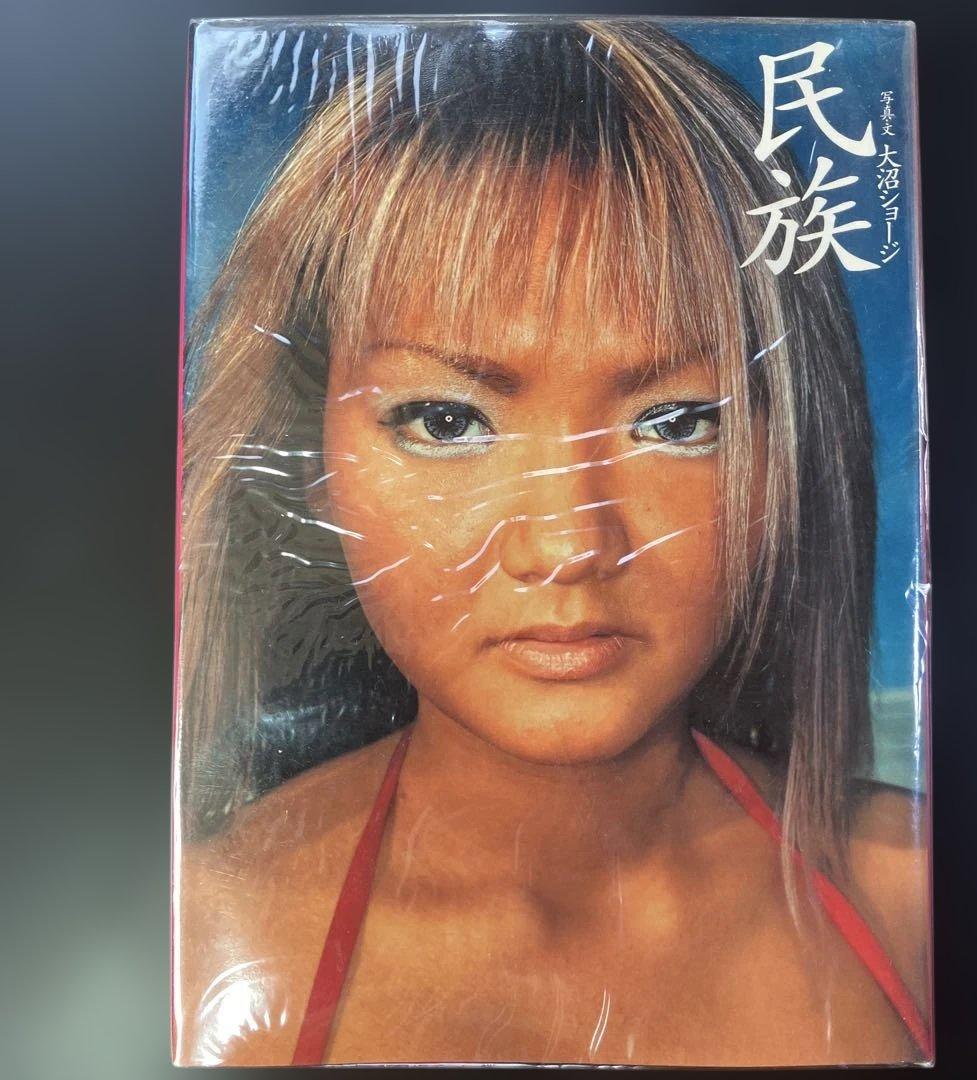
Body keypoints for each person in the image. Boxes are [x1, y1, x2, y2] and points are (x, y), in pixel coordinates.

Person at [173, 20, 930, 1067]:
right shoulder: (199, 939)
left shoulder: (917, 898)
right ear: (309, 460)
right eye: (447, 421)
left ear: (792, 456)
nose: (570, 543)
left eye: (675, 421)